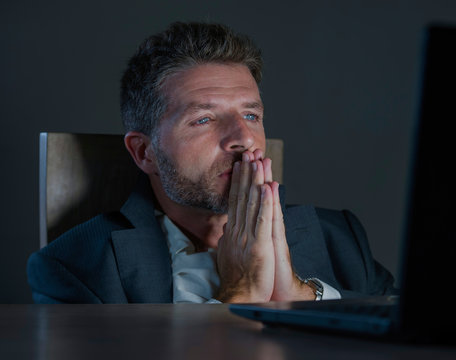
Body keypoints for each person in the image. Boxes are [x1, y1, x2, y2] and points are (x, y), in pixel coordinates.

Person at [27, 22, 397, 303]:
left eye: (251, 116)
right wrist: (242, 294)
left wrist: (302, 298)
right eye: (203, 119)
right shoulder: (75, 268)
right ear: (144, 152)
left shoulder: (342, 239)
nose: (243, 138)